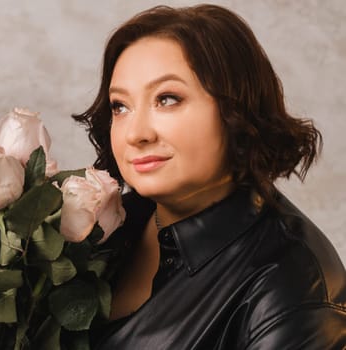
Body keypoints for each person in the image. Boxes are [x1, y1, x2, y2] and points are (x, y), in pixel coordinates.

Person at [73, 4, 346, 349]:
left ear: (237, 110)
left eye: (167, 99)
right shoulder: (103, 227)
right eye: (120, 106)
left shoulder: (291, 286)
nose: (135, 134)